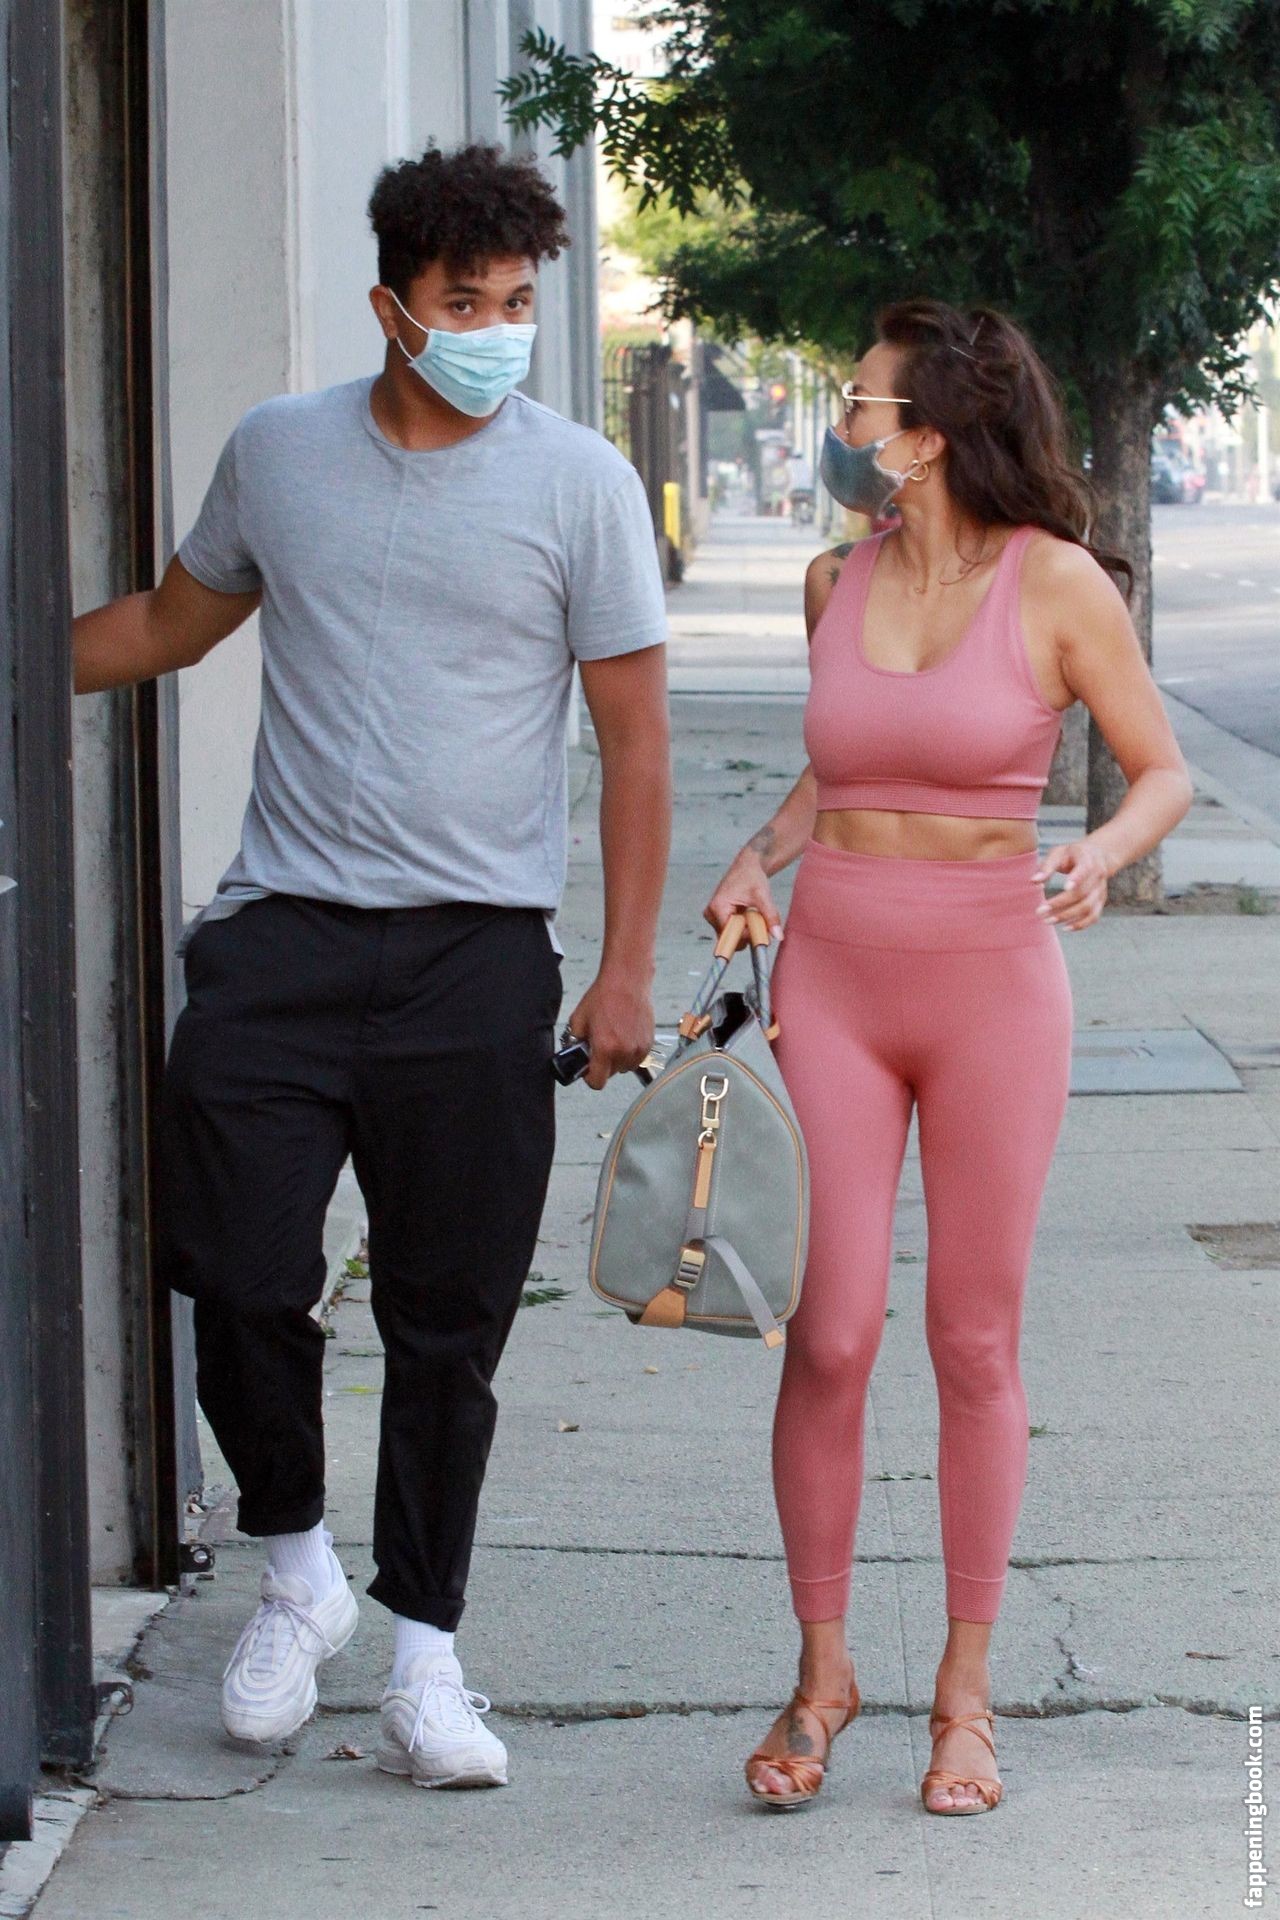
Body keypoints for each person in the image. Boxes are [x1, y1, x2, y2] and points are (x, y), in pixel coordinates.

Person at [72, 141, 671, 1790]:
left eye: (518, 303)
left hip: (478, 954)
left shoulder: (580, 484)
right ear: (390, 307)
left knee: (446, 1318)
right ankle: (296, 1572)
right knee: (238, 1272)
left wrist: (624, 969)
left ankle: (425, 1660)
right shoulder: (280, 453)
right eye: (464, 303)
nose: (495, 332)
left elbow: (634, 741)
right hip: (281, 936)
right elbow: (170, 625)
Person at [704, 299, 1192, 1816]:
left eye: (861, 403)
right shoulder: (832, 580)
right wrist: (759, 854)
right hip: (835, 977)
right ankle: (822, 1675)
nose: (844, 422)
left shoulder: (1054, 584)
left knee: (972, 1340)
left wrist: (1102, 851)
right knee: (829, 1335)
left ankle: (964, 1695)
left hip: (994, 988)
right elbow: (846, 765)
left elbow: (1162, 770)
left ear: (926, 436)